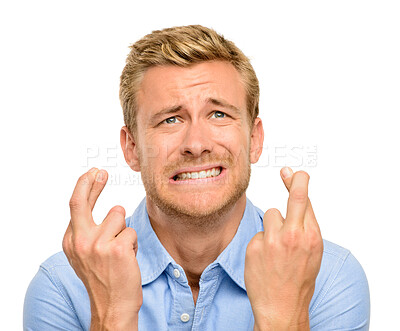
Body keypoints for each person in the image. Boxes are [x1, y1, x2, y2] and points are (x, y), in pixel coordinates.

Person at [24, 25, 370, 330]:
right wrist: (112, 315)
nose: (196, 145)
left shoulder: (329, 278)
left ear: (255, 140)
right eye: (170, 119)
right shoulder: (64, 286)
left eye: (218, 114)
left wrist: (283, 316)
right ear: (131, 148)